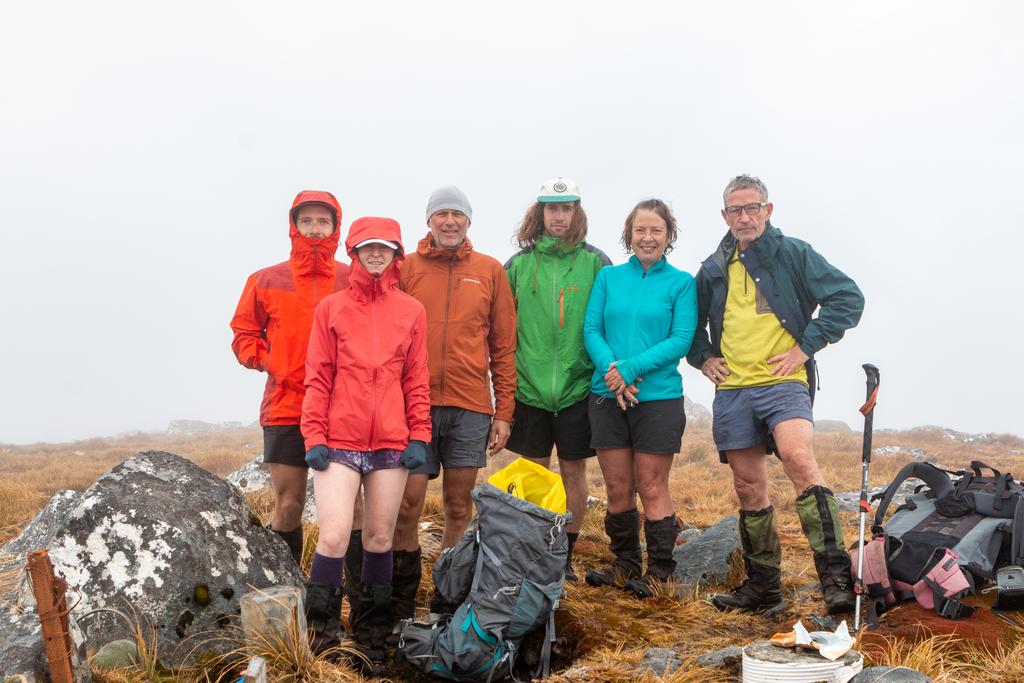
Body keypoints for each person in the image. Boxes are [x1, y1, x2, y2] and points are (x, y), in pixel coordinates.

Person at [687, 174, 865, 615]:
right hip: (733, 389)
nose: (744, 217)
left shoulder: (794, 253)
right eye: (735, 210)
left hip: (783, 383)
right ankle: (763, 587)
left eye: (752, 208)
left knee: (799, 459)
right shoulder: (711, 268)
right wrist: (704, 358)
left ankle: (836, 578)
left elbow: (848, 297)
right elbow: (686, 327)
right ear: (724, 215)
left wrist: (805, 346)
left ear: (768, 210)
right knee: (748, 486)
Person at [377, 186, 518, 624]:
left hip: (471, 405)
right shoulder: (407, 268)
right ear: (429, 221)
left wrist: (504, 411)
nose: (450, 221)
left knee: (459, 506)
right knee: (407, 505)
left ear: (469, 221)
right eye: (442, 214)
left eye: (458, 214)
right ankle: (401, 597)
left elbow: (503, 346)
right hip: (412, 407)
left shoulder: (490, 270)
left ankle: (446, 595)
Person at [301, 216, 431, 672]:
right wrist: (313, 434)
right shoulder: (331, 308)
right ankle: (322, 638)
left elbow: (416, 378)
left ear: (396, 255)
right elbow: (317, 376)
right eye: (367, 248)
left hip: (392, 444)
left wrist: (420, 435)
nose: (376, 255)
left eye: (386, 248)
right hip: (338, 440)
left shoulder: (411, 311)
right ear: (353, 253)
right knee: (335, 536)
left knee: (379, 538)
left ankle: (373, 636)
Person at [582, 199, 697, 599]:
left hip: (658, 398)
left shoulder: (682, 283)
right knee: (616, 486)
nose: (647, 237)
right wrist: (613, 373)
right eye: (640, 230)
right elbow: (591, 330)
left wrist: (628, 370)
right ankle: (624, 565)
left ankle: (661, 574)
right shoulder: (608, 278)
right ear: (628, 235)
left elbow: (680, 339)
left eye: (656, 231)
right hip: (606, 395)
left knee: (650, 485)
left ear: (669, 236)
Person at [230, 191, 349, 566]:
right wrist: (275, 361)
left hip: (343, 409)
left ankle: (346, 596)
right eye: (307, 221)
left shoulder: (352, 277)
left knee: (350, 508)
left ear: (335, 227)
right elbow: (243, 335)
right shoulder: (265, 279)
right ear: (293, 226)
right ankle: (285, 586)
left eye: (323, 221)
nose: (315, 229)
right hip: (285, 406)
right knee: (289, 503)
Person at [504, 177, 611, 581]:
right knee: (533, 471)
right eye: (552, 208)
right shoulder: (518, 265)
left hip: (578, 388)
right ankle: (533, 549)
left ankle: (563, 553)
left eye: (566, 208)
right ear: (540, 212)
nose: (559, 216)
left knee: (572, 472)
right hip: (528, 388)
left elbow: (608, 320)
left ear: (576, 212)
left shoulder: (595, 262)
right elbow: (500, 326)